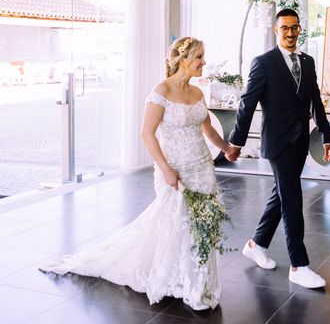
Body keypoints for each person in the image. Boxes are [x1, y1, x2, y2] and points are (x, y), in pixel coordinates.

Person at [40, 37, 232, 311]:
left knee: (203, 225)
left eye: (203, 56)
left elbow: (209, 131)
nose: (204, 62)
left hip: (202, 166)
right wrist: (166, 169)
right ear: (184, 59)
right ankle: (176, 279)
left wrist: (226, 149)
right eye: (200, 57)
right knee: (178, 223)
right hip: (174, 169)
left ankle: (197, 281)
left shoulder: (197, 93)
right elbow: (146, 133)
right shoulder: (161, 91)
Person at [225, 8, 330, 289]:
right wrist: (236, 141)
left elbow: (315, 102)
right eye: (284, 28)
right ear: (276, 30)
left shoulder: (308, 62)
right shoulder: (263, 63)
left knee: (281, 194)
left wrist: (326, 135)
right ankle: (298, 265)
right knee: (293, 199)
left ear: (300, 29)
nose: (290, 33)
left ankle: (257, 244)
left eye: (294, 27)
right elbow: (247, 104)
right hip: (277, 143)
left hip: (299, 142)